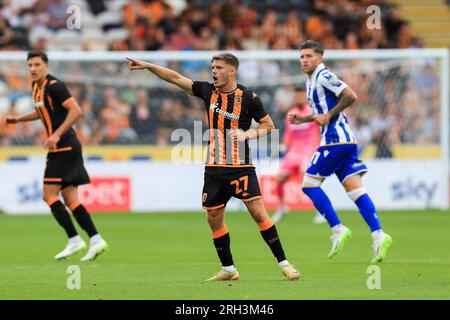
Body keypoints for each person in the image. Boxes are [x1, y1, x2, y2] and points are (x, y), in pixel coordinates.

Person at [127, 53, 300, 281]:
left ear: (232, 71)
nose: (214, 71)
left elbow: (268, 125)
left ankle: (284, 264)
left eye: (218, 67)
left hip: (240, 166)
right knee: (213, 216)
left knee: (258, 213)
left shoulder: (248, 97)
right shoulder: (209, 92)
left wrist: (247, 133)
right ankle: (229, 269)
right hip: (214, 168)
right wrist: (148, 65)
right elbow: (176, 78)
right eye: (212, 67)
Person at [289, 40, 392, 263]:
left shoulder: (324, 75)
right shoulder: (310, 81)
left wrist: (328, 115)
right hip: (345, 141)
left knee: (309, 184)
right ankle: (378, 234)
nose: (305, 60)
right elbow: (322, 113)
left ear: (320, 57)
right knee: (355, 190)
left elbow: (350, 95)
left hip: (335, 141)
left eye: (309, 56)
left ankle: (337, 228)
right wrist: (305, 119)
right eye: (302, 56)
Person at [4, 51, 108, 261]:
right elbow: (43, 112)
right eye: (30, 65)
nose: (33, 68)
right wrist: (19, 119)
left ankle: (74, 240)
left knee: (48, 195)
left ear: (46, 66)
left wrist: (56, 135)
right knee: (70, 199)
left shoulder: (55, 86)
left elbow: (76, 110)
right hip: (64, 147)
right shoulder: (36, 87)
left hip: (64, 146)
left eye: (37, 65)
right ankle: (96, 240)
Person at [271, 87, 325, 224]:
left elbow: (320, 131)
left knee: (307, 180)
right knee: (279, 179)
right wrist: (282, 147)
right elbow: (289, 135)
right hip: (294, 151)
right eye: (296, 97)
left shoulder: (312, 112)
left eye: (300, 96)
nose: (297, 99)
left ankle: (321, 210)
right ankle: (282, 208)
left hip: (309, 150)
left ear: (306, 97)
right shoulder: (291, 113)